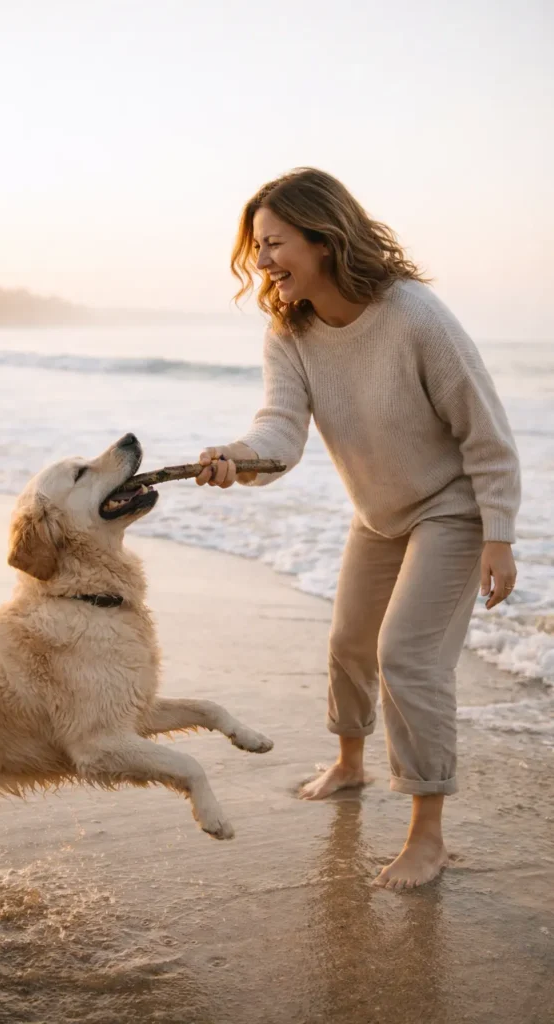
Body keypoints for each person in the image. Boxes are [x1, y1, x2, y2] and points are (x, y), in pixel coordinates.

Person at [195, 167, 520, 890]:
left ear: (324, 238)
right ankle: (349, 763)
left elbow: (487, 432)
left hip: (451, 507)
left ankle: (427, 836)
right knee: (348, 642)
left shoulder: (415, 316)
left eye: (274, 243)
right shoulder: (290, 331)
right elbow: (280, 430)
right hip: (379, 513)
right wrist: (237, 458)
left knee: (406, 656)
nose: (262, 261)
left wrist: (498, 535)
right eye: (256, 247)